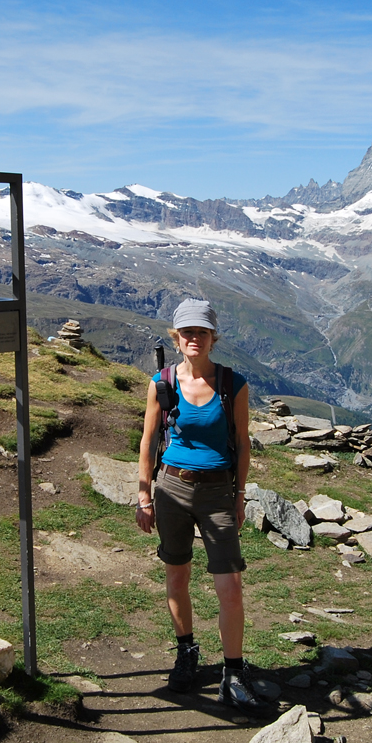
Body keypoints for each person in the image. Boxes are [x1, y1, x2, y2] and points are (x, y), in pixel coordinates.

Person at [135, 299, 269, 716]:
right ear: (177, 339)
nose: (194, 339)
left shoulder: (233, 385)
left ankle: (233, 672)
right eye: (187, 332)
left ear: (213, 338)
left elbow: (242, 442)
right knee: (177, 576)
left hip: (217, 492)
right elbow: (148, 440)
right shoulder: (161, 383)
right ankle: (186, 652)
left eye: (202, 332)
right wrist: (144, 497)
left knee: (230, 586)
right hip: (171, 488)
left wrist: (240, 495)